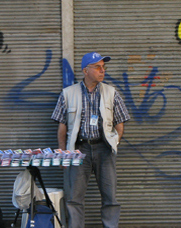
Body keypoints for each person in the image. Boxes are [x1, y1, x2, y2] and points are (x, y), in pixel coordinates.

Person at [51, 52, 130, 228]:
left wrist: (114, 142)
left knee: (110, 196)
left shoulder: (111, 93)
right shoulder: (68, 94)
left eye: (104, 67)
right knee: (74, 198)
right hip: (79, 150)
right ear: (86, 71)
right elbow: (62, 127)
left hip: (104, 149)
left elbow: (120, 122)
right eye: (98, 67)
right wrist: (63, 152)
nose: (102, 71)